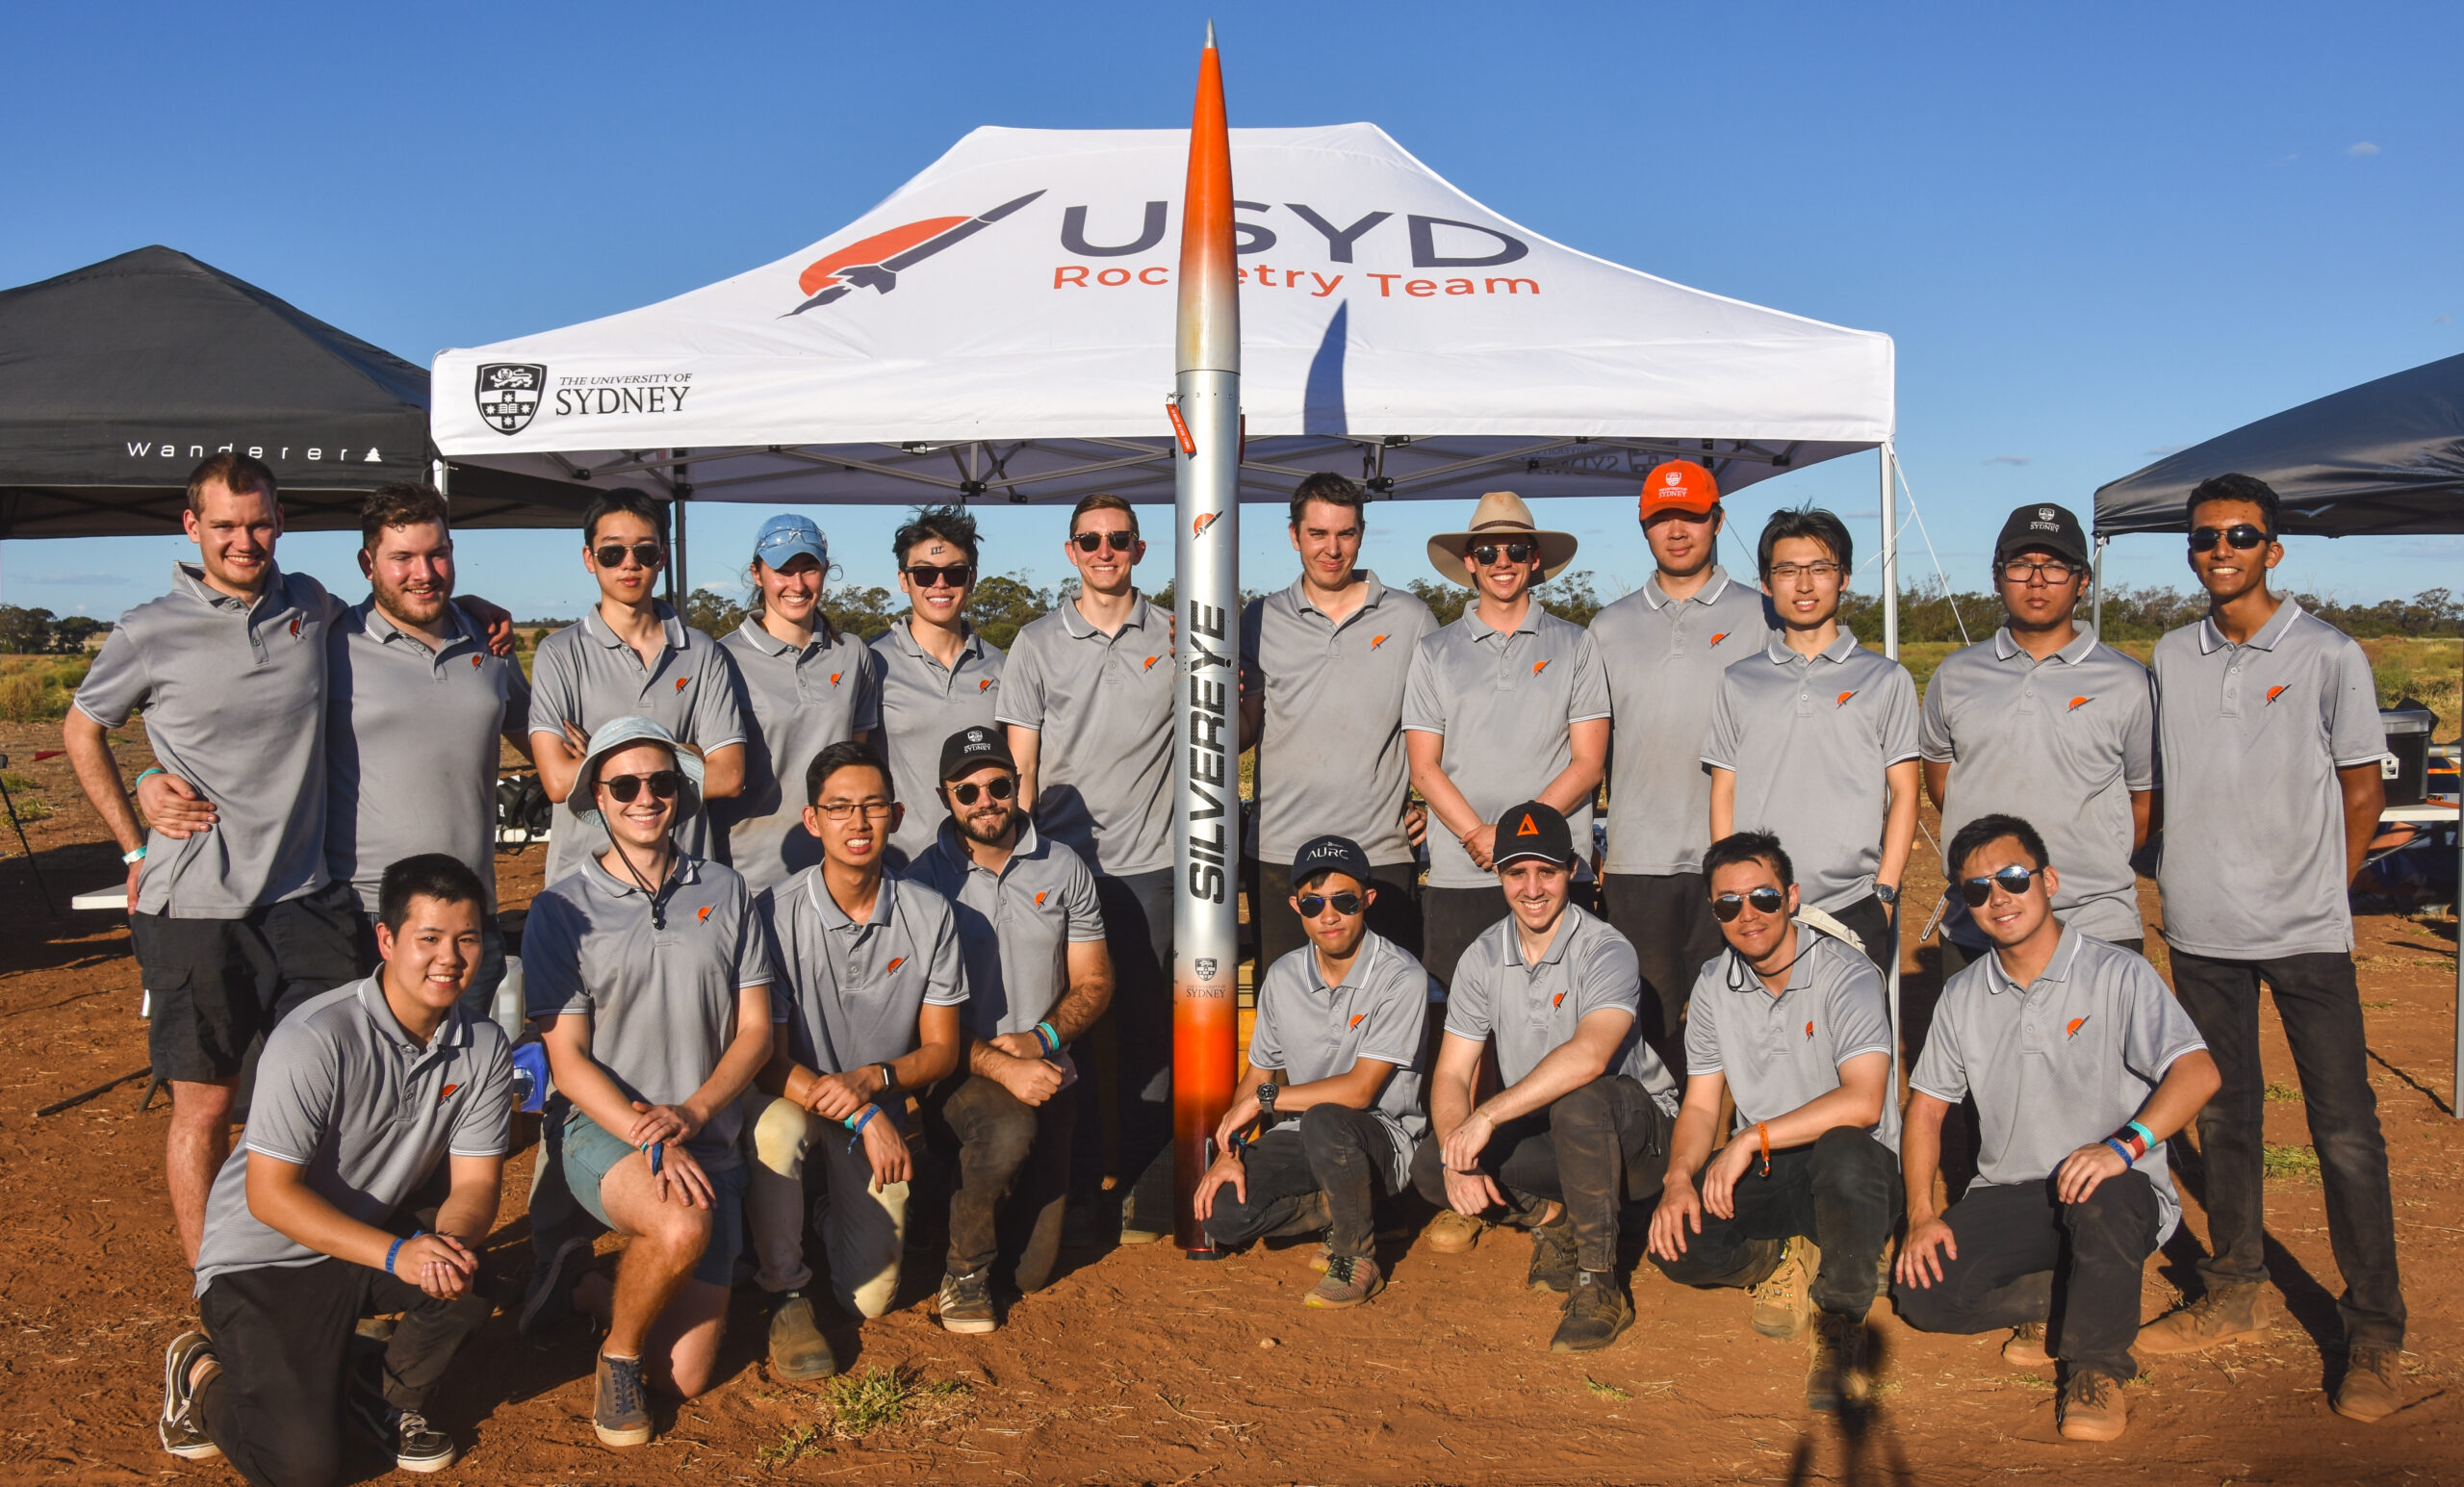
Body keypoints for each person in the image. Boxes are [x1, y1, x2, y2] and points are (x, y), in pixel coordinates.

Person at [2136, 473, 2407, 1423]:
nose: (2221, 549)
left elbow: (2363, 789)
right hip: (2200, 930)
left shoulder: (2329, 654)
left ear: (2273, 549)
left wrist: (2322, 892)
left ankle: (2372, 1331)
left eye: (2241, 535)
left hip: (2305, 935)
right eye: (2205, 536)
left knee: (2345, 1129)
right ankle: (2235, 1289)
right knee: (2225, 1119)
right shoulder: (2171, 655)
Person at [66, 454, 368, 1263]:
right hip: (196, 907)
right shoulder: (149, 629)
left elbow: (397, 616)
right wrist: (134, 833)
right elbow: (81, 729)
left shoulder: (311, 603)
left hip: (306, 900)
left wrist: (474, 605)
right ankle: (216, 1279)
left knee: (327, 1095)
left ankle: (319, 1265)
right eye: (225, 525)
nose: (244, 540)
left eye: (259, 523)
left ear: (281, 522)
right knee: (204, 1106)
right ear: (191, 526)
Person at [157, 854, 514, 1483]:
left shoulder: (483, 1044)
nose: (450, 958)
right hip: (262, 1262)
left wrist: (447, 1246)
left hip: (362, 1239)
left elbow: (477, 1183)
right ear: (386, 939)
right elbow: (270, 1197)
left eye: (467, 938)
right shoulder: (317, 1036)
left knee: (470, 1276)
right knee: (303, 1470)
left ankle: (384, 1398)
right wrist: (399, 1255)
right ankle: (200, 1374)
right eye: (429, 938)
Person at [1893, 815, 2220, 1444]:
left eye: (2013, 878)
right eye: (1978, 889)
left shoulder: (2117, 973)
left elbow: (2198, 1072)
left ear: (2048, 880)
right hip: (2014, 1192)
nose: (1999, 898)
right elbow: (1927, 1109)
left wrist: (2124, 1146)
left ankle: (2095, 1367)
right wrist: (1921, 1214)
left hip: (2113, 1190)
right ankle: (2078, 1292)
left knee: (2100, 1198)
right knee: (1922, 1294)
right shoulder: (1961, 995)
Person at [524, 718, 774, 1448]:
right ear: (598, 798)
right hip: (603, 1127)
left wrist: (693, 1113)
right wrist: (651, 1133)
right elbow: (568, 1060)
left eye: (661, 782)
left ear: (681, 794)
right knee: (681, 1224)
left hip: (706, 1133)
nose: (645, 797)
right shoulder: (560, 909)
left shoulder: (727, 890)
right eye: (625, 785)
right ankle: (619, 1356)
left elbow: (756, 1031)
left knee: (686, 1376)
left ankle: (583, 1286)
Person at [1410, 802, 1679, 1353]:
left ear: (1573, 869)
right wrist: (1457, 1148)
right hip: (1554, 1135)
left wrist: (1486, 1116)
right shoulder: (1482, 956)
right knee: (1433, 1163)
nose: (1532, 889)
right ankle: (1556, 1221)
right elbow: (1453, 1072)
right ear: (1498, 874)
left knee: (1581, 1102)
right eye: (1517, 872)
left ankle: (1599, 1282)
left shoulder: (1606, 948)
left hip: (1637, 1142)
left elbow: (1590, 1056)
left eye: (1547, 871)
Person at [1647, 831, 1900, 1412]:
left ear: (1791, 897)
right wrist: (1678, 1179)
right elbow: (1701, 1105)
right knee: (1677, 1247)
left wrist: (1749, 1139)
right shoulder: (1713, 984)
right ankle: (1785, 1255)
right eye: (1728, 904)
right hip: (1769, 1163)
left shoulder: (1847, 972)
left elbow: (1864, 1102)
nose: (1748, 915)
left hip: (1853, 1166)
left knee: (1843, 1153)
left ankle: (1839, 1319)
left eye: (1763, 897)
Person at [749, 739, 965, 1370]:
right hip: (796, 1096)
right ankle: (784, 1289)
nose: (858, 821)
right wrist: (864, 1112)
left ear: (896, 815)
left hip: (872, 1105)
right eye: (839, 807)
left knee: (867, 1301)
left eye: (872, 805)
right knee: (777, 1131)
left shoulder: (930, 914)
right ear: (812, 820)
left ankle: (821, 1207)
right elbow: (767, 1060)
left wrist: (874, 1083)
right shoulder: (773, 913)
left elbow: (943, 1049)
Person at [997, 493, 1177, 1237]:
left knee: (1147, 1033)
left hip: (1155, 866)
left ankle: (1142, 1186)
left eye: (1118, 539)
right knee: (1064, 1029)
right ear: (1071, 551)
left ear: (1140, 549)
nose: (1105, 551)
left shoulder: (1178, 633)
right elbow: (1021, 767)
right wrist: (1021, 863)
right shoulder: (1036, 642)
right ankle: (1069, 1188)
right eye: (1091, 540)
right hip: (1064, 869)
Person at [908, 726, 1114, 1331]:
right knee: (1005, 1129)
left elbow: (1095, 981)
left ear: (1018, 786)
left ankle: (945, 1200)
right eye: (966, 791)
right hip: (959, 1063)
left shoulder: (1064, 866)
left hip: (1046, 1066)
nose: (985, 801)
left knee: (1029, 1272)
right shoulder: (920, 881)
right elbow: (914, 1013)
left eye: (998, 786)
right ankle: (964, 1271)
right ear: (945, 797)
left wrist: (1041, 1041)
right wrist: (1000, 1064)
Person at [1588, 460, 1778, 1069]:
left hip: (1733, 859)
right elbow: (1589, 748)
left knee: (1740, 1020)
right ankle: (1659, 1127)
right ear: (1644, 526)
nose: (1676, 531)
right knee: (1647, 1023)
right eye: (1662, 518)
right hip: (1636, 861)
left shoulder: (1763, 616)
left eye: (1691, 517)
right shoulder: (1608, 627)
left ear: (1717, 520)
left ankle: (1736, 1128)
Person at [1197, 834, 1430, 1308]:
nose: (1329, 915)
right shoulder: (1283, 976)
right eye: (1313, 903)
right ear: (1295, 907)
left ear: (1367, 900)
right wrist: (1229, 1150)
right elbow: (1258, 1073)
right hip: (1304, 1135)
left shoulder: (1401, 976)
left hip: (1379, 1139)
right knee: (1223, 1215)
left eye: (1344, 901)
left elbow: (1359, 1091)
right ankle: (1352, 1207)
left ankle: (1355, 1255)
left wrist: (1266, 1101)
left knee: (1327, 1118)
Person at [1920, 503, 2154, 973]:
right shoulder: (1956, 674)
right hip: (1978, 920)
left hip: (2095, 925)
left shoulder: (2128, 681)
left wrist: (2089, 862)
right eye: (2022, 565)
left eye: (2054, 566)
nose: (2037, 580)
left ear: (2082, 581)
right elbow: (1943, 783)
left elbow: (2146, 801)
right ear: (1997, 576)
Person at [324, 482, 533, 999]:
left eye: (436, 554)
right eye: (402, 558)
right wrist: (153, 774)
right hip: (366, 916)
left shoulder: (490, 644)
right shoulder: (331, 643)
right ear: (367, 563)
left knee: (467, 1050)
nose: (423, 573)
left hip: (469, 913)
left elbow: (545, 746)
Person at [1402, 492, 1611, 992]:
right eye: (1488, 552)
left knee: (1560, 1013)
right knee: (1462, 1019)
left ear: (1534, 559)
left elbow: (1588, 763)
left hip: (1553, 872)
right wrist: (1480, 835)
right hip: (1462, 873)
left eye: (1516, 550)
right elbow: (1424, 767)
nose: (1503, 562)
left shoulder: (1577, 643)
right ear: (1470, 561)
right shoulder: (1433, 651)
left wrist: (1518, 838)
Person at [1704, 507, 1919, 973]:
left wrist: (1884, 893)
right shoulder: (1738, 681)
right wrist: (1733, 889)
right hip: (1761, 905)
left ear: (1844, 578)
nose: (1804, 585)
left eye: (1820, 569)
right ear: (1766, 583)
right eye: (1787, 571)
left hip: (1854, 903)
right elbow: (1725, 791)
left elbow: (1904, 792)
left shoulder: (1886, 679)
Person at [1239, 473, 1438, 965]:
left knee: (1386, 1000)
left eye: (1345, 534)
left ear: (1361, 534)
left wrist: (1433, 807)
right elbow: (1243, 733)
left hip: (1380, 852)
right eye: (1318, 534)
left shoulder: (1411, 619)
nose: (1332, 549)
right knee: (1286, 1001)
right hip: (1281, 852)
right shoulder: (1258, 619)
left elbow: (1443, 728)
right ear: (1294, 535)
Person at [527, 488, 746, 889]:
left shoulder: (701, 651)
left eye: (644, 551)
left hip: (685, 879)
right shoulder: (559, 653)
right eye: (612, 553)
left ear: (662, 556)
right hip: (584, 886)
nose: (630, 564)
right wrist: (689, 755)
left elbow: (729, 775)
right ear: (589, 558)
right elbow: (557, 782)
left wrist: (597, 760)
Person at [713, 514, 882, 894]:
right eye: (783, 570)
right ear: (757, 574)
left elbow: (857, 764)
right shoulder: (721, 659)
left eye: (809, 569)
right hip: (750, 875)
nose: (798, 584)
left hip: (837, 869)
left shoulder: (852, 653)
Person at [874, 505, 1007, 869]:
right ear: (903, 580)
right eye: (924, 573)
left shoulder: (1001, 665)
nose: (940, 584)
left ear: (972, 579)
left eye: (955, 573)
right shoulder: (871, 664)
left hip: (984, 868)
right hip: (900, 868)